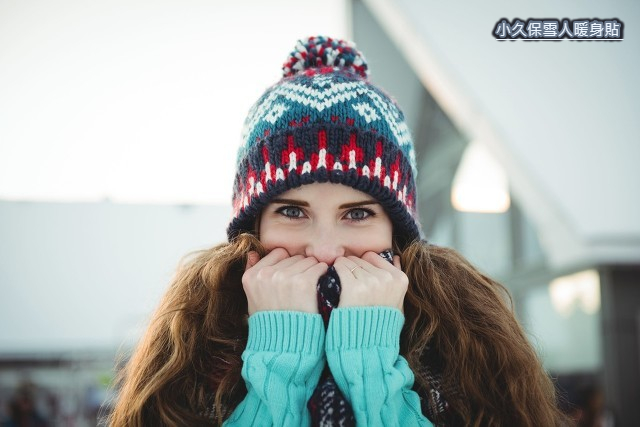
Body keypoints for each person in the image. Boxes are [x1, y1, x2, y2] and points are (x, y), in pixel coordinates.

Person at [107, 36, 568, 426]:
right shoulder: (196, 343)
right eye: (292, 211)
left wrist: (370, 364)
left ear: (397, 230)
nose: (325, 249)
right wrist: (279, 365)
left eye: (358, 214)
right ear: (254, 226)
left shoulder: (464, 339)